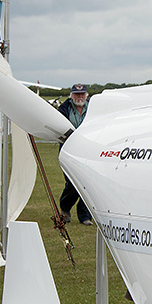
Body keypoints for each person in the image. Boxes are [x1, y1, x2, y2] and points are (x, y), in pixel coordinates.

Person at [57, 83, 92, 225]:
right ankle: (65, 208)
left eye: (82, 94)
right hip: (69, 149)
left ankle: (85, 216)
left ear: (86, 95)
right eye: (77, 94)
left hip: (88, 150)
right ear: (71, 96)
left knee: (87, 182)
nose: (79, 97)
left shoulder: (92, 108)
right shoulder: (64, 109)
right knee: (72, 182)